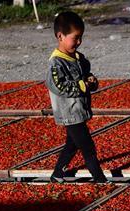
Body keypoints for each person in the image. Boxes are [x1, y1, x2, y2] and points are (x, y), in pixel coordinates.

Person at [46, 11, 108, 183]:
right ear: (60, 36)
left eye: (81, 37)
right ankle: (99, 178)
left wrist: (91, 80)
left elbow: (85, 72)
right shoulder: (56, 63)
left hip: (78, 108)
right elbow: (59, 87)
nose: (79, 42)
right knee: (88, 147)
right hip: (69, 112)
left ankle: (57, 173)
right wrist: (82, 85)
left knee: (72, 144)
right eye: (75, 38)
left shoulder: (78, 58)